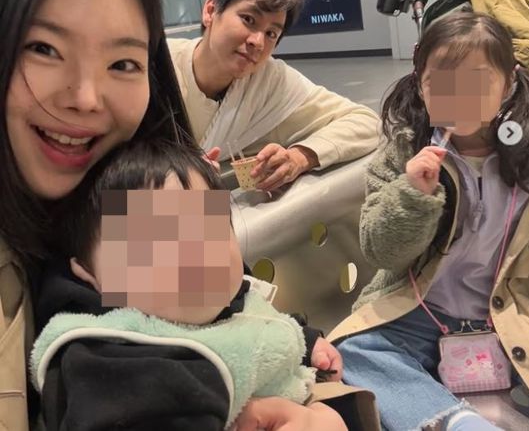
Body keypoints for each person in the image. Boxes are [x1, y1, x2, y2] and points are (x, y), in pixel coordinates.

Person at [0, 0, 362, 431]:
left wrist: (304, 154)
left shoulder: (264, 86)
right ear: (210, 11)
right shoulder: (107, 354)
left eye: (123, 63)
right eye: (44, 49)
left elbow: (226, 300)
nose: (86, 98)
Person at [30, 138, 347, 431]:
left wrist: (305, 343)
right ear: (89, 275)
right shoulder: (118, 368)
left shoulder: (209, 299)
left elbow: (248, 317)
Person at [326, 10, 529, 430]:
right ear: (420, 84)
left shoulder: (524, 154)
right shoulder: (405, 150)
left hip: (511, 310)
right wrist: (412, 195)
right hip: (420, 312)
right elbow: (380, 252)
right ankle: (455, 422)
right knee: (356, 350)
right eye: (441, 83)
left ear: (509, 84)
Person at [167, 0, 380, 191]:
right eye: (248, 19)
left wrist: (299, 157)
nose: (257, 42)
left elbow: (366, 122)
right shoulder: (156, 66)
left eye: (271, 33)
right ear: (210, 11)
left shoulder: (271, 82)